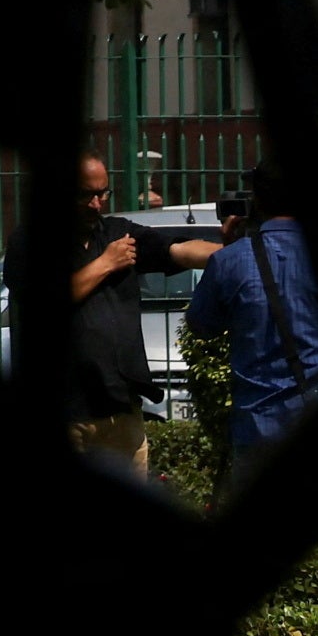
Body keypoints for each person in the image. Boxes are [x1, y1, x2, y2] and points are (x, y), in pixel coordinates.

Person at [59, 147, 216, 475]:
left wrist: (236, 252)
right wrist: (106, 263)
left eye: (103, 193)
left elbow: (178, 250)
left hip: (121, 410)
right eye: (87, 195)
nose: (97, 204)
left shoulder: (118, 233)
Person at [179, 174, 318, 469]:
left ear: (256, 202)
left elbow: (201, 325)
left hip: (259, 427)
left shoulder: (230, 261)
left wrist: (227, 249)